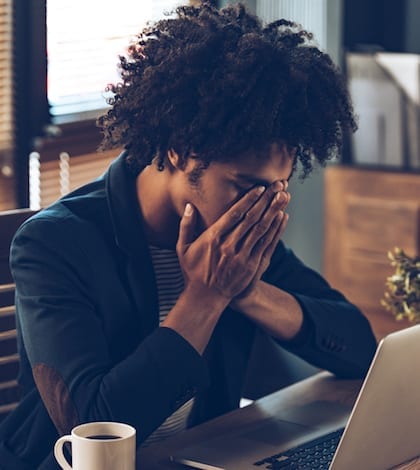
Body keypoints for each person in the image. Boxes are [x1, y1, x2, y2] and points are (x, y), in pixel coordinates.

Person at [0, 2, 377, 469]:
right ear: (179, 151)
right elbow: (92, 429)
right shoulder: (55, 245)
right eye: (248, 186)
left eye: (278, 188)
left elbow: (360, 348)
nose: (265, 207)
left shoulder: (235, 239)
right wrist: (207, 296)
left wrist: (249, 292)